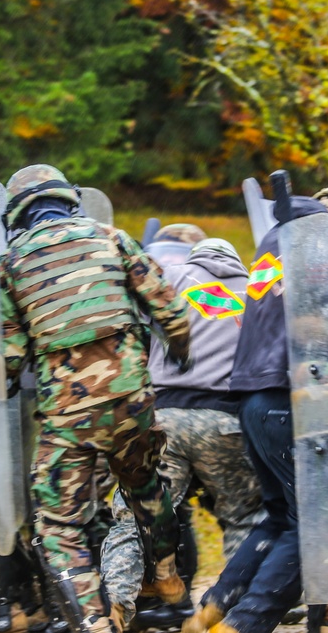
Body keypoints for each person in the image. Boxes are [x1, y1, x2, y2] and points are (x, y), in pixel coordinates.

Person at [0, 164, 191, 633]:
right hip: (130, 401)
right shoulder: (111, 237)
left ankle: (94, 621)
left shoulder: (12, 263)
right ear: (69, 200)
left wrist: (6, 381)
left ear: (19, 214)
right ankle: (164, 573)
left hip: (67, 415)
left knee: (58, 523)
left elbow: (9, 351)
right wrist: (178, 351)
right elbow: (168, 306)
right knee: (144, 487)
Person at [101, 238, 264, 631]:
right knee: (244, 516)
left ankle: (114, 604)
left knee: (137, 517)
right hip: (226, 421)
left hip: (166, 420)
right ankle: (231, 612)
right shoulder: (256, 292)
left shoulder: (173, 277)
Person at [183, 193, 327, 633]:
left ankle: (213, 608)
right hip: (285, 397)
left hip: (250, 400)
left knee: (278, 517)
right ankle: (244, 623)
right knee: (311, 523)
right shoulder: (314, 248)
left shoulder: (269, 252)